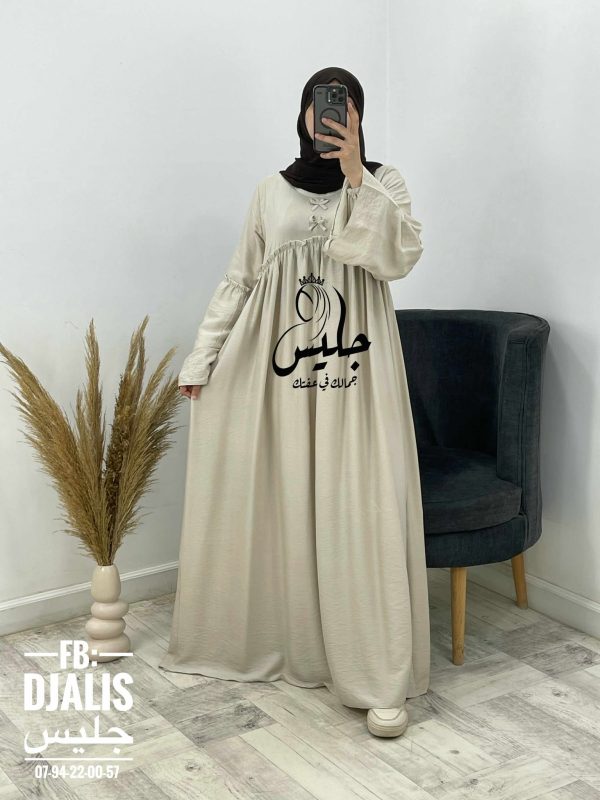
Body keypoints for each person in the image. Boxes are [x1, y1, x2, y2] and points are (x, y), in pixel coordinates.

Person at [158, 66, 430, 739]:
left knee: (361, 504)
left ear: (357, 115)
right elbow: (239, 280)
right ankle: (293, 642)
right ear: (303, 114)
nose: (328, 117)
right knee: (282, 495)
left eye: (343, 106)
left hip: (356, 372)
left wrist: (357, 173)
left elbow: (396, 258)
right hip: (276, 372)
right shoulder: (269, 191)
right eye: (318, 105)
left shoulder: (385, 182)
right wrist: (203, 358)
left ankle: (376, 669)